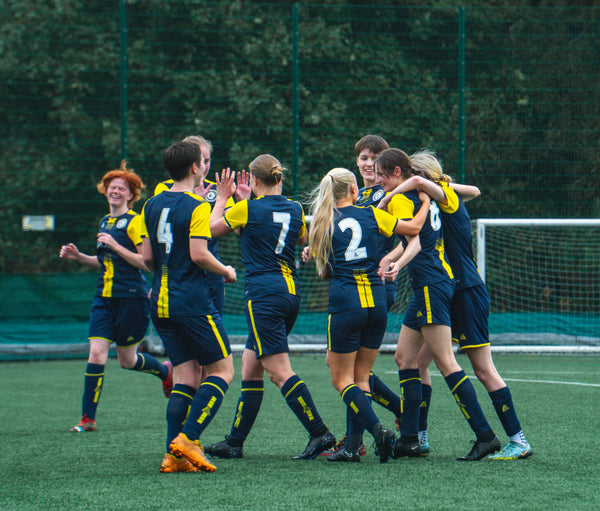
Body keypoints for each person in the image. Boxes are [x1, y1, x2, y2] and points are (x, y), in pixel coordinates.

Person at [378, 149, 532, 460]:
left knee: (482, 369)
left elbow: (427, 203)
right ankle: (417, 436)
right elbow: (470, 192)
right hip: (448, 289)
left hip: (465, 291)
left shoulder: (439, 198)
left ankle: (516, 440)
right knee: (414, 361)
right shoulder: (438, 198)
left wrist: (402, 190)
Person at [203, 155, 336, 460]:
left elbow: (209, 230)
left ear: (253, 180)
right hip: (290, 293)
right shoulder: (294, 208)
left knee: (279, 372)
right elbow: (297, 237)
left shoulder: (245, 208)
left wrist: (223, 198)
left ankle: (320, 433)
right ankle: (234, 443)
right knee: (251, 369)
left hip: (264, 295)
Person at [305, 167, 426, 463]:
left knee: (341, 378)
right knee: (361, 377)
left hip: (347, 305)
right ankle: (352, 448)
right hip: (377, 304)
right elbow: (412, 230)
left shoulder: (323, 223)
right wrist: (425, 203)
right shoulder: (372, 214)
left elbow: (325, 274)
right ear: (353, 191)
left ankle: (377, 431)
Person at [141, 141, 236, 473]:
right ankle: (188, 438)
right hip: (192, 302)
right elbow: (199, 253)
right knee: (223, 370)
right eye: (203, 163)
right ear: (196, 168)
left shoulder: (150, 205)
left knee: (185, 377)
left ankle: (173, 456)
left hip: (161, 303)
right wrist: (226, 271)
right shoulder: (196, 206)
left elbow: (148, 258)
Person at [60, 161, 173, 433]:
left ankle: (165, 372)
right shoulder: (104, 221)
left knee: (127, 361)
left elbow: (146, 263)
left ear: (131, 195)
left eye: (122, 188)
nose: (116, 191)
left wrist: (113, 245)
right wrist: (79, 257)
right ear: (105, 190)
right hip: (103, 299)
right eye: (112, 187)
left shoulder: (134, 223)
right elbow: (104, 263)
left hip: (131, 298)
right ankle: (88, 419)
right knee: (97, 354)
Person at [322, 134, 404, 458]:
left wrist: (393, 259)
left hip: (376, 283)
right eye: (363, 158)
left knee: (353, 371)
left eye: (374, 158)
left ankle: (356, 442)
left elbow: (406, 237)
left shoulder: (388, 194)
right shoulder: (362, 197)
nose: (367, 163)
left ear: (385, 163)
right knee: (358, 371)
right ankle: (358, 439)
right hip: (360, 286)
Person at [154, 135, 250, 316]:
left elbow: (237, 229)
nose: (204, 166)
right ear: (190, 162)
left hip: (210, 270)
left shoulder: (219, 189)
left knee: (213, 325)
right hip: (178, 273)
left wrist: (242, 204)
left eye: (208, 160)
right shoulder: (164, 189)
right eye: (201, 161)